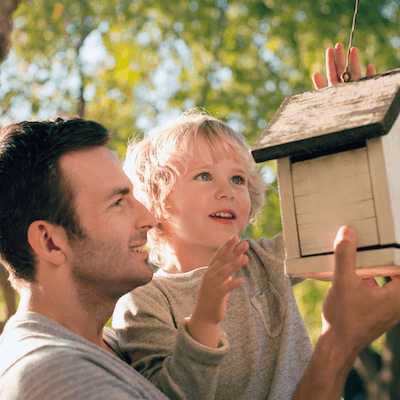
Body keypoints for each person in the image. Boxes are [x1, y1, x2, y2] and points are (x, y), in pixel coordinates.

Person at [112, 44, 400, 400]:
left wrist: (345, 127)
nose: (228, 191)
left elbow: (343, 215)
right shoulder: (144, 301)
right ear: (155, 201)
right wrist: (203, 322)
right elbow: (166, 394)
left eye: (238, 179)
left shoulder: (263, 260)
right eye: (204, 176)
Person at [0, 118, 170, 399]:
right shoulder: (58, 376)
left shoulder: (117, 345)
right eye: (117, 203)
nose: (149, 219)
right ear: (50, 243)